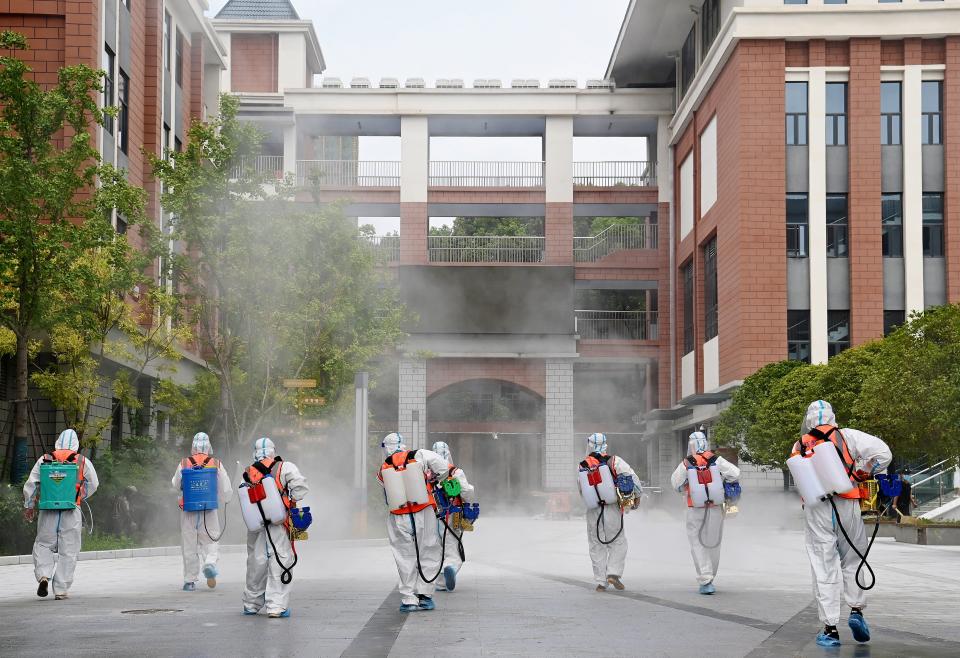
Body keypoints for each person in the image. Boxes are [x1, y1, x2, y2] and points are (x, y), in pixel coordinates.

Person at [794, 400, 892, 648]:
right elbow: (884, 454)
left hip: (817, 509)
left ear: (808, 420)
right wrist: (865, 470)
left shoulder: (800, 445)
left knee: (823, 564)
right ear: (833, 417)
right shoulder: (848, 436)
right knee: (853, 558)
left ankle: (829, 629)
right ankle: (857, 611)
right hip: (847, 502)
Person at [22, 429, 99, 600]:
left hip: (47, 508)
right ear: (75, 445)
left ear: (57, 443)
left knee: (43, 544)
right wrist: (79, 495)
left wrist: (29, 505)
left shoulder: (45, 459)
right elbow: (94, 483)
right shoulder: (81, 460)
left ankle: (43, 576)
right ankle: (61, 589)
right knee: (69, 549)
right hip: (71, 510)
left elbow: (31, 484)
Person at [378, 432, 451, 612]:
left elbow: (386, 492)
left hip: (398, 515)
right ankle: (425, 596)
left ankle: (408, 599)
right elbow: (444, 468)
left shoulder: (384, 466)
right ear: (403, 444)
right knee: (428, 549)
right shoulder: (420, 455)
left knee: (404, 556)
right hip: (423, 510)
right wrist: (435, 479)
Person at [241, 437, 309, 618]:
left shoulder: (249, 471)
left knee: (256, 562)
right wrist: (290, 501)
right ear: (273, 451)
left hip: (256, 525)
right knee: (280, 560)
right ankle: (276, 606)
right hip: (279, 524)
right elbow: (301, 488)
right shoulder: (285, 467)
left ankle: (251, 604)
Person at [669, 431, 740, 595]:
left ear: (690, 445)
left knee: (697, 543)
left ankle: (705, 578)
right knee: (714, 541)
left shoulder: (686, 463)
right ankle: (711, 575)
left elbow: (675, 483)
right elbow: (735, 473)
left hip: (694, 508)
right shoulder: (716, 460)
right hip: (715, 507)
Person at [577, 432, 642, 592]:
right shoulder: (614, 460)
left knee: (596, 543)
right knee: (617, 541)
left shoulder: (582, 465)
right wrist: (637, 496)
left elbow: (581, 489)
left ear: (589, 445)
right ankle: (613, 573)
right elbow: (632, 477)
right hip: (612, 507)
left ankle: (600, 581)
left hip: (593, 509)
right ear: (605, 444)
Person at [171, 432, 232, 591]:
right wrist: (226, 499)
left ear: (193, 446)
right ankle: (210, 563)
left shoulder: (184, 463)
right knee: (211, 540)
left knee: (189, 545)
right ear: (208, 446)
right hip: (209, 510)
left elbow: (175, 485)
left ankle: (189, 581)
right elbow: (225, 489)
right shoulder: (216, 464)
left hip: (188, 510)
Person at [430, 440, 475, 593]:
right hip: (453, 514)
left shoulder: (426, 473)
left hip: (430, 515)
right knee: (453, 547)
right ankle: (449, 568)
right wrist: (469, 509)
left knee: (435, 548)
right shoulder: (455, 472)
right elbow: (467, 491)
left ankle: (436, 581)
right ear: (448, 454)